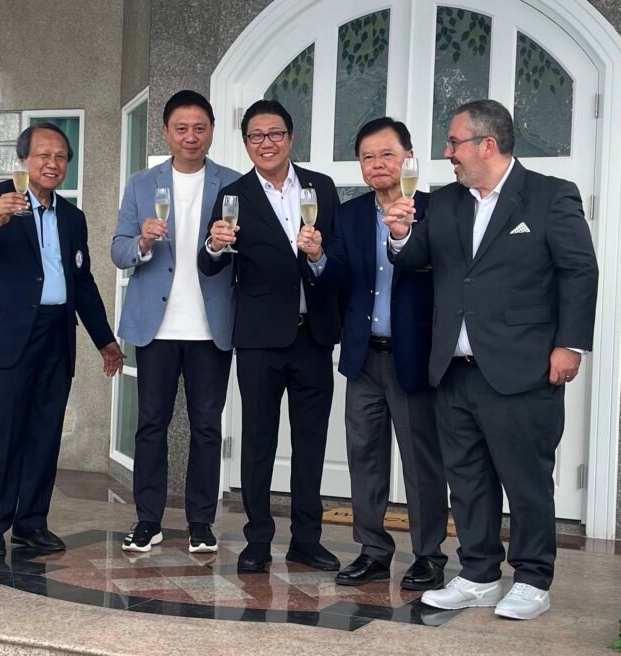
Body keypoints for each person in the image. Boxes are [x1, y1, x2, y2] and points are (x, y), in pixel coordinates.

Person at [388, 99, 598, 619]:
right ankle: (479, 572)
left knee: (525, 480)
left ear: (487, 144)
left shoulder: (550, 196)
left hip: (523, 367)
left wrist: (570, 345)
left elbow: (580, 272)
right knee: (467, 480)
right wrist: (399, 234)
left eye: (454, 142)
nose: (447, 153)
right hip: (453, 369)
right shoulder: (446, 202)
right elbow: (416, 260)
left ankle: (532, 578)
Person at [0, 123, 123, 557]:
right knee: (1, 431)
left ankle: (31, 523)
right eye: (43, 155)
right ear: (24, 160)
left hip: (55, 335)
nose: (52, 163)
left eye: (61, 157)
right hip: (4, 336)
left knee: (45, 433)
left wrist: (105, 339)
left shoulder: (71, 216)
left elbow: (81, 283)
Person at [299, 117, 448, 591]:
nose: (377, 164)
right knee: (364, 457)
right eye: (367, 157)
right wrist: (318, 256)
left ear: (409, 158)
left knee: (421, 461)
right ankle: (373, 551)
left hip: (415, 356)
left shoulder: (437, 210)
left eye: (387, 154)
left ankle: (428, 555)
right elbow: (337, 274)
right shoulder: (350, 213)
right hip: (364, 357)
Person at [197, 99, 342, 574]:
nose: (266, 143)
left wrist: (318, 257)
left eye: (275, 133)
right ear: (246, 144)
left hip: (314, 336)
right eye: (256, 136)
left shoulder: (321, 187)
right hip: (259, 340)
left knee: (310, 442)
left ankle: (307, 539)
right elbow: (210, 260)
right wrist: (216, 245)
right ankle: (257, 539)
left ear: (291, 137)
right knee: (258, 442)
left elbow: (337, 262)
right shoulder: (234, 195)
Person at [110, 90, 240, 554]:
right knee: (151, 423)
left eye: (199, 128)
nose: (191, 136)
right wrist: (142, 243)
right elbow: (118, 250)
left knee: (207, 425)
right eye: (181, 128)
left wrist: (226, 246)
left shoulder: (233, 183)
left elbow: (246, 254)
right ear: (166, 132)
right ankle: (148, 519)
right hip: (156, 326)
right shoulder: (142, 184)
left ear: (211, 132)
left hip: (211, 325)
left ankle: (201, 522)